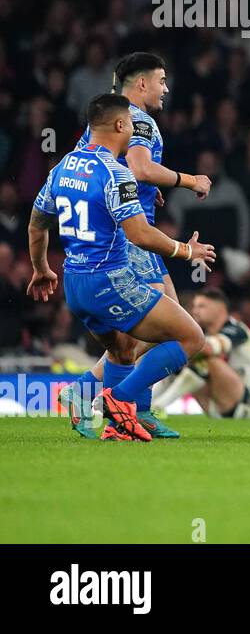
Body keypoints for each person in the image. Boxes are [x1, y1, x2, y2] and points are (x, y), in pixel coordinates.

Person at [28, 93, 217, 441]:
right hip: (110, 281)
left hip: (74, 284)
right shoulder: (115, 173)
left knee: (122, 349)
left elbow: (37, 223)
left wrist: (41, 269)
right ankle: (121, 400)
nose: (135, 129)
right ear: (119, 125)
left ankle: (115, 424)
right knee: (191, 337)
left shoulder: (62, 167)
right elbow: (141, 234)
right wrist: (184, 251)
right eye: (131, 124)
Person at [151, 288, 250, 419]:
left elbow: (208, 350)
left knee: (204, 357)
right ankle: (147, 406)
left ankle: (158, 406)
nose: (195, 311)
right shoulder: (204, 335)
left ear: (220, 309)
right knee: (178, 361)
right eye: (194, 306)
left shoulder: (237, 329)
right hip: (217, 405)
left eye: (202, 306)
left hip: (248, 405)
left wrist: (170, 344)